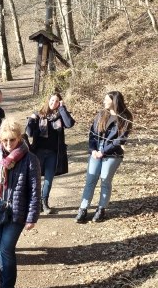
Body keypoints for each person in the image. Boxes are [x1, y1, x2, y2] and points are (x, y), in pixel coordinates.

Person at [0, 119, 41, 288]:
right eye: (5, 140)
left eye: (12, 140)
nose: (8, 144)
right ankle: (2, 284)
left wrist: (32, 217)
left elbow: (35, 191)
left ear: (19, 138)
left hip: (16, 212)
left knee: (6, 249)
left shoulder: (30, 159)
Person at [75, 91, 133, 223]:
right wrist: (93, 149)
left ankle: (101, 209)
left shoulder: (125, 117)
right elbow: (92, 134)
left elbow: (121, 140)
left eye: (107, 99)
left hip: (113, 153)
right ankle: (83, 209)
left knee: (105, 179)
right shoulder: (101, 114)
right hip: (96, 151)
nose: (104, 101)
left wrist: (104, 151)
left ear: (114, 101)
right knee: (91, 179)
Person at [26, 92, 75, 214]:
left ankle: (44, 202)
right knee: (35, 179)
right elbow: (29, 133)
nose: (54, 103)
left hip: (54, 153)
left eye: (57, 101)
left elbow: (69, 124)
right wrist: (31, 119)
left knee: (49, 179)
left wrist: (63, 108)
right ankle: (35, 203)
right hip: (38, 153)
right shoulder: (39, 115)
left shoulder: (61, 116)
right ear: (48, 101)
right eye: (52, 100)